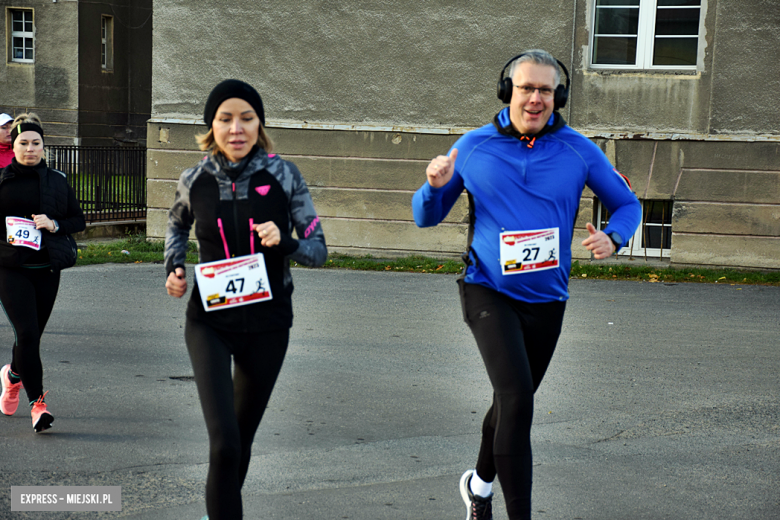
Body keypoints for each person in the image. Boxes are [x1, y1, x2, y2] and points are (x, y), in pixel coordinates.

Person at [412, 50, 641, 520]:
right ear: (507, 91)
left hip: (548, 299)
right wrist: (434, 187)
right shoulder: (474, 146)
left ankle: (477, 485)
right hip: (487, 289)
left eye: (545, 91)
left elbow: (628, 205)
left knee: (510, 402)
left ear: (559, 97)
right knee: (517, 397)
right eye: (525, 88)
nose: (535, 99)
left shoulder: (579, 149)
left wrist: (614, 238)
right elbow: (425, 217)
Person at [164, 79, 327, 520]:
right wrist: (175, 268)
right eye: (225, 119)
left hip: (268, 324)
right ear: (211, 127)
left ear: (260, 123)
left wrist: (285, 243)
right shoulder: (193, 178)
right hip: (210, 323)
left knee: (240, 441)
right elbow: (176, 227)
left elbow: (319, 249)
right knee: (224, 442)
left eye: (247, 118)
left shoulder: (283, 174)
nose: (237, 128)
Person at [0, 113, 85, 433]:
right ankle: (38, 405)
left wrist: (55, 224)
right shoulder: (2, 180)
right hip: (10, 269)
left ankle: (12, 378)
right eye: (23, 143)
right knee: (28, 335)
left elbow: (78, 221)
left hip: (46, 269)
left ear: (44, 147)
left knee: (31, 338)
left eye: (36, 143)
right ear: (15, 144)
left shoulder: (57, 181)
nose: (30, 149)